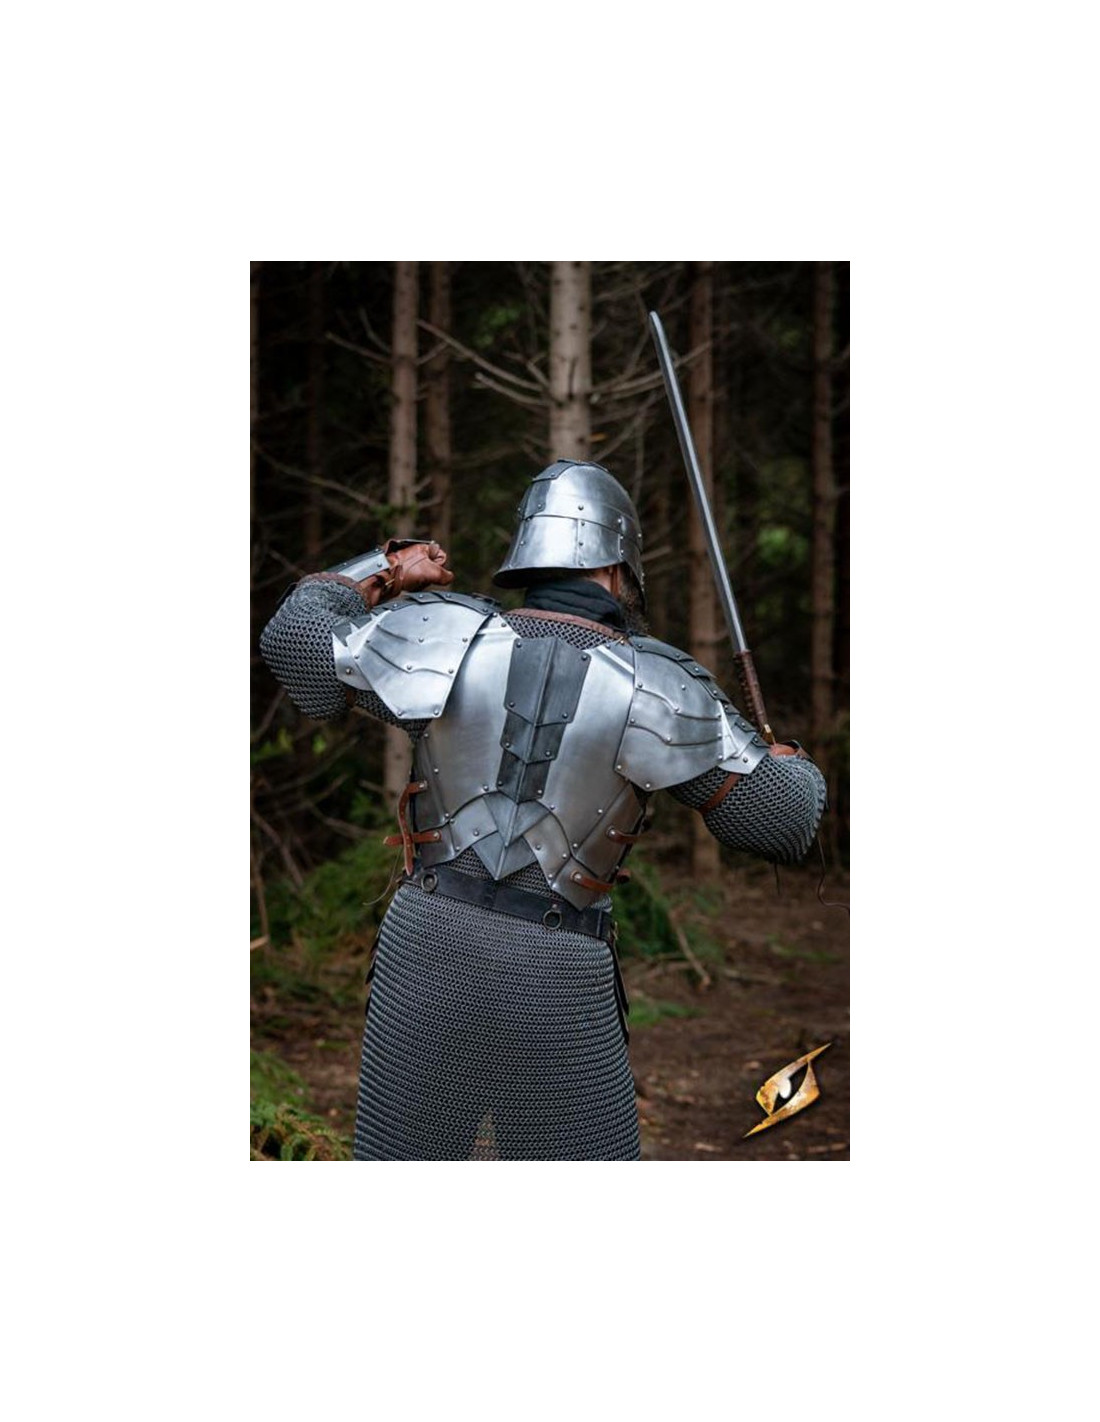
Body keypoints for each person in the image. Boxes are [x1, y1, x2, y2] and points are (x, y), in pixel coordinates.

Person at [260, 460, 826, 1160]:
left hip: (428, 952)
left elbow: (296, 638)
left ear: (528, 552)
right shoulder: (660, 683)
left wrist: (384, 567)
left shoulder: (444, 635)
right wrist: (787, 761)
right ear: (618, 567)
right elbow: (785, 821)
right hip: (558, 972)